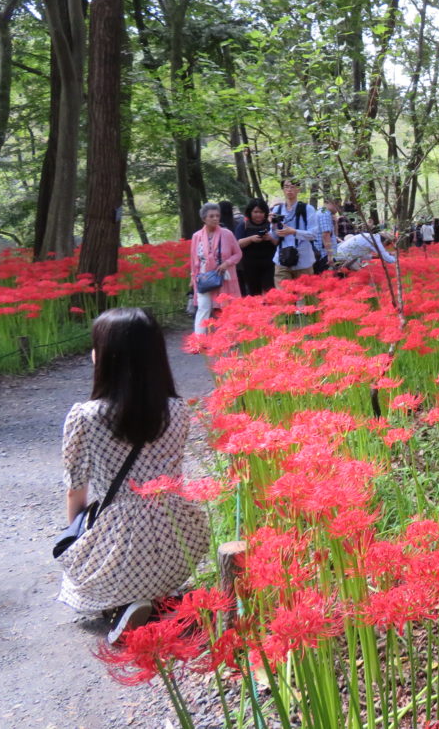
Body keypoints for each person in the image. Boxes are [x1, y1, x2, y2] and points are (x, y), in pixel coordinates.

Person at [58, 308, 209, 644]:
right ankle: (160, 603)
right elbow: (175, 477)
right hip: (174, 531)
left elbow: (76, 491)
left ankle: (125, 610)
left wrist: (78, 540)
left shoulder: (85, 416)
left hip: (118, 534)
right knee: (153, 571)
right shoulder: (177, 410)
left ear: (106, 357)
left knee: (82, 571)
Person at [190, 203, 242, 335]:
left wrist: (227, 263)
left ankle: (229, 337)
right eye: (211, 216)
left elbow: (238, 254)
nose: (215, 219)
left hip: (223, 275)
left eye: (217, 216)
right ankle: (199, 340)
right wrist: (193, 277)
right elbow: (194, 259)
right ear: (204, 219)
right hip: (204, 276)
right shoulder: (197, 236)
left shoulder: (227, 234)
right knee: (203, 308)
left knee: (225, 308)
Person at [270, 179, 321, 283]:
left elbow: (313, 234)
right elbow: (273, 237)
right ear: (283, 189)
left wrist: (294, 232)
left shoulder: (308, 209)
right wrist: (273, 225)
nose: (289, 190)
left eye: (293, 186)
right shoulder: (276, 210)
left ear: (298, 189)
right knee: (283, 297)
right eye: (286, 187)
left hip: (303, 259)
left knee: (305, 296)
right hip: (281, 260)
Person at [235, 197, 277, 296]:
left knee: (270, 292)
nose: (258, 215)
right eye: (255, 212)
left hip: (269, 265)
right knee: (254, 293)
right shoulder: (243, 225)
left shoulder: (271, 225)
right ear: (250, 212)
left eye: (261, 212)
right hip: (250, 265)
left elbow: (278, 242)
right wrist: (251, 239)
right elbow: (237, 243)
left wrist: (270, 238)